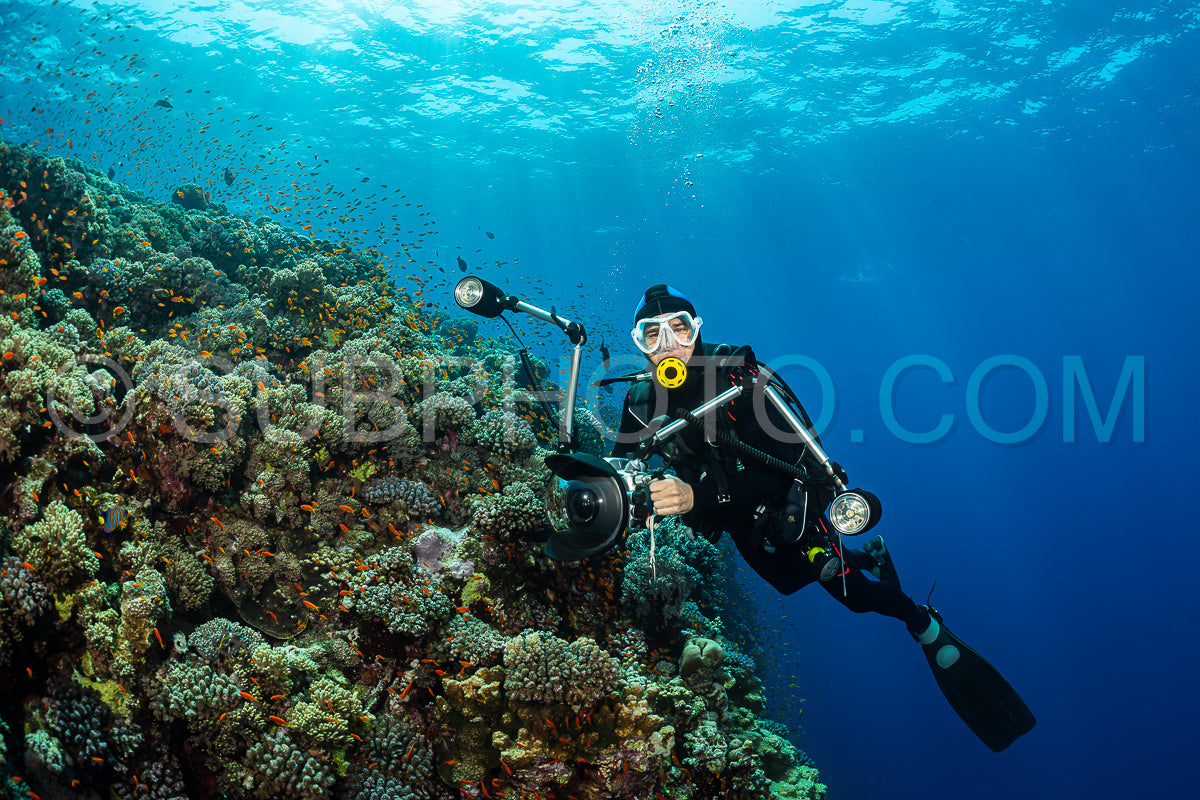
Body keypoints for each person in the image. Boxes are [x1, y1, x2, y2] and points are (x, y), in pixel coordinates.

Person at [609, 284, 1036, 752]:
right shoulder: (642, 401)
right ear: (639, 343)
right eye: (652, 335)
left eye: (680, 329)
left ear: (698, 329)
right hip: (737, 521)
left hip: (791, 508)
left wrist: (695, 497)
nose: (669, 346)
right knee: (788, 581)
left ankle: (920, 619)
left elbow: (787, 471)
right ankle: (864, 556)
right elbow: (622, 464)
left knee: (846, 593)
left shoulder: (739, 382)